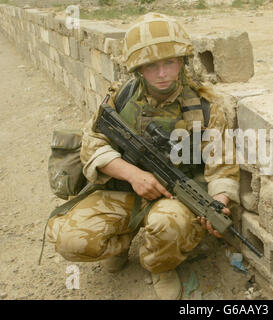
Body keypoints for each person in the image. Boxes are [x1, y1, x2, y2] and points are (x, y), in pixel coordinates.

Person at [45, 12, 240, 300]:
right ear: (137, 68)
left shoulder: (207, 106)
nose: (161, 73)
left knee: (171, 226)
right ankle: (122, 241)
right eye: (150, 66)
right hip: (121, 190)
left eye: (169, 63)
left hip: (172, 197)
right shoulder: (120, 98)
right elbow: (91, 142)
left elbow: (221, 166)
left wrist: (219, 202)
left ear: (183, 61)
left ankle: (159, 264)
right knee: (69, 240)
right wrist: (133, 174)